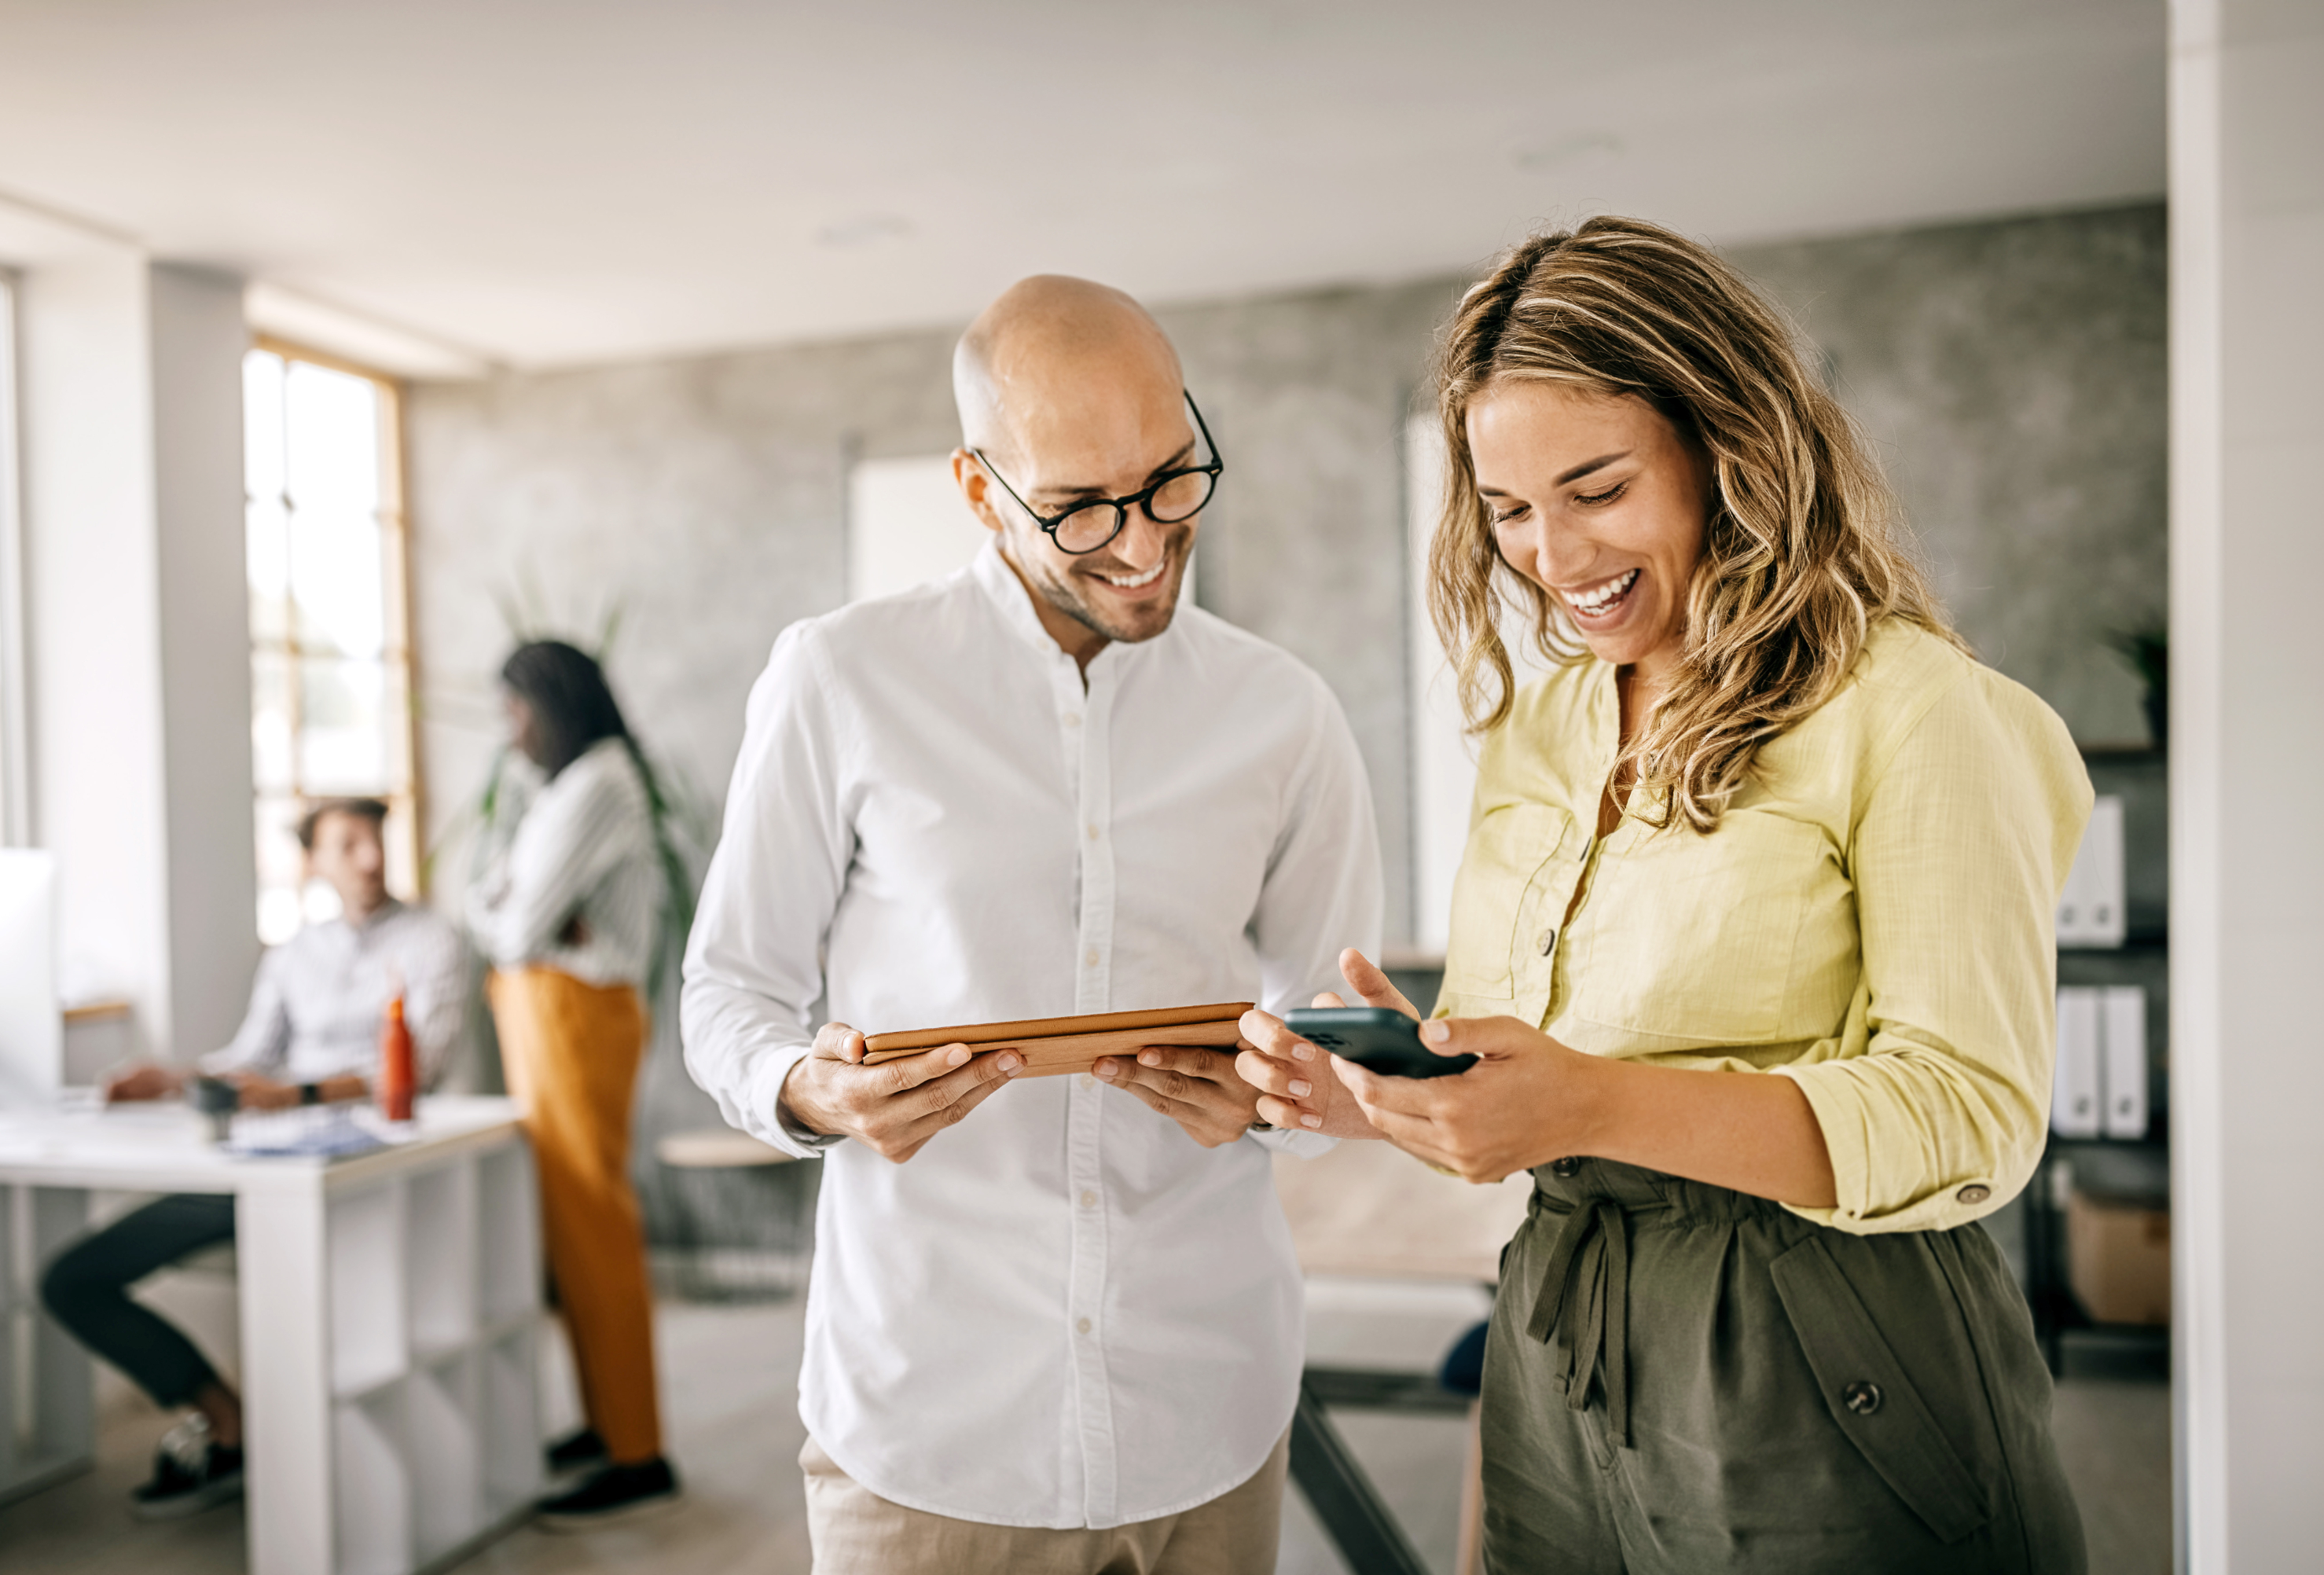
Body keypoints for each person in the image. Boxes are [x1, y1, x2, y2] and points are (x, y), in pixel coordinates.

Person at [1240, 217, 2091, 1573]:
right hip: (1560, 1330)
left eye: (1596, 489)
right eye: (1509, 509)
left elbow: (1969, 1111)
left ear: (1725, 447)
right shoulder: (1544, 725)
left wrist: (1585, 1099)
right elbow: (1527, 1061)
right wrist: (1371, 1092)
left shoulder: (1912, 707)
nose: (1552, 555)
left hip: (1825, 1345)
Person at [682, 275, 1381, 1575]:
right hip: (932, 1419)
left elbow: (1339, 1032)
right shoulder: (840, 677)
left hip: (1207, 1401)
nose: (1141, 540)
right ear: (976, 488)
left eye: (1173, 478)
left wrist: (1287, 1091)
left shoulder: (1285, 713)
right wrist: (811, 1089)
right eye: (1078, 507)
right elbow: (728, 992)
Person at [40, 797, 472, 1519]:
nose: (369, 857)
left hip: (364, 1171)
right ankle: (228, 1421)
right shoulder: (292, 955)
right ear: (315, 862)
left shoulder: (433, 941)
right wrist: (175, 1079)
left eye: (376, 840)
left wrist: (295, 1092)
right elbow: (248, 1061)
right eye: (347, 843)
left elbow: (417, 1071)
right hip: (263, 1166)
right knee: (72, 1279)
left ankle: (318, 1474)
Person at [462, 639, 684, 1523]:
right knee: (570, 1228)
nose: (510, 731)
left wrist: (508, 907)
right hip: (552, 1015)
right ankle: (606, 1424)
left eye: (517, 709)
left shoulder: (596, 783)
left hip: (574, 1019)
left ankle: (638, 1452)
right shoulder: (565, 788)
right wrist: (511, 906)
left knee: (593, 1225)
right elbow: (503, 903)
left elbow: (510, 927)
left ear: (552, 704)